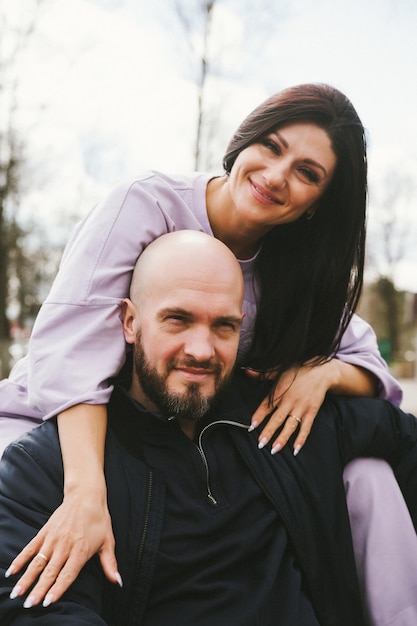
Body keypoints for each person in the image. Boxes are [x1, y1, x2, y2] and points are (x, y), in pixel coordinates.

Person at [0, 83, 407, 612]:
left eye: (308, 173)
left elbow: (370, 366)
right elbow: (71, 351)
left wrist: (323, 373)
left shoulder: (296, 270)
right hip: (55, 415)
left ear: (318, 205)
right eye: (273, 147)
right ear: (245, 142)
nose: (277, 175)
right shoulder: (146, 204)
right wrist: (84, 490)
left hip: (175, 440)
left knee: (368, 474)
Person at [1, 231, 417, 626]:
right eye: (178, 320)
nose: (201, 350)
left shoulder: (289, 416)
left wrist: (331, 374)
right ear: (129, 322)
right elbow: (38, 613)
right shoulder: (47, 469)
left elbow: (406, 438)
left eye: (223, 326)